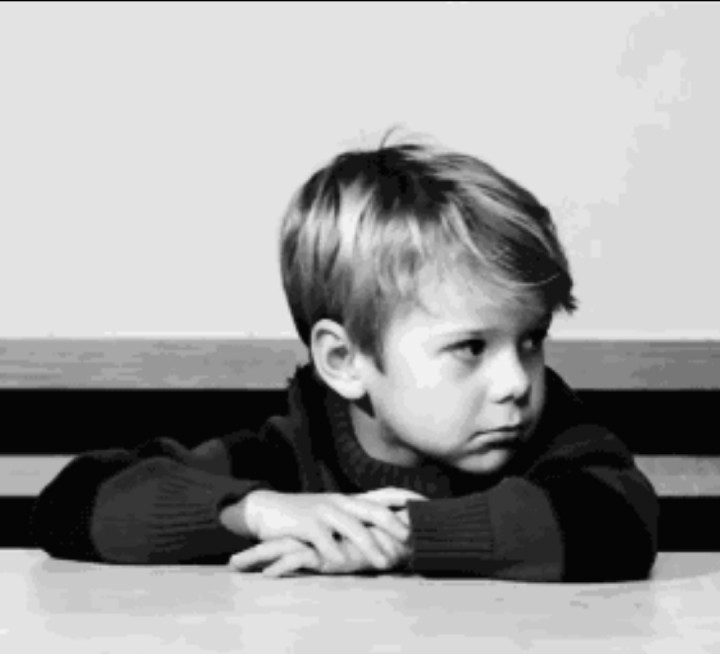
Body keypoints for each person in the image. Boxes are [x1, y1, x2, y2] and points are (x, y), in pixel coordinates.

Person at [31, 131, 660, 582]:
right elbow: (72, 502)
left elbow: (620, 521)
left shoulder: (557, 444)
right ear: (343, 360)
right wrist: (254, 512)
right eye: (471, 347)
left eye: (531, 340)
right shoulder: (288, 455)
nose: (516, 382)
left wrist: (405, 538)